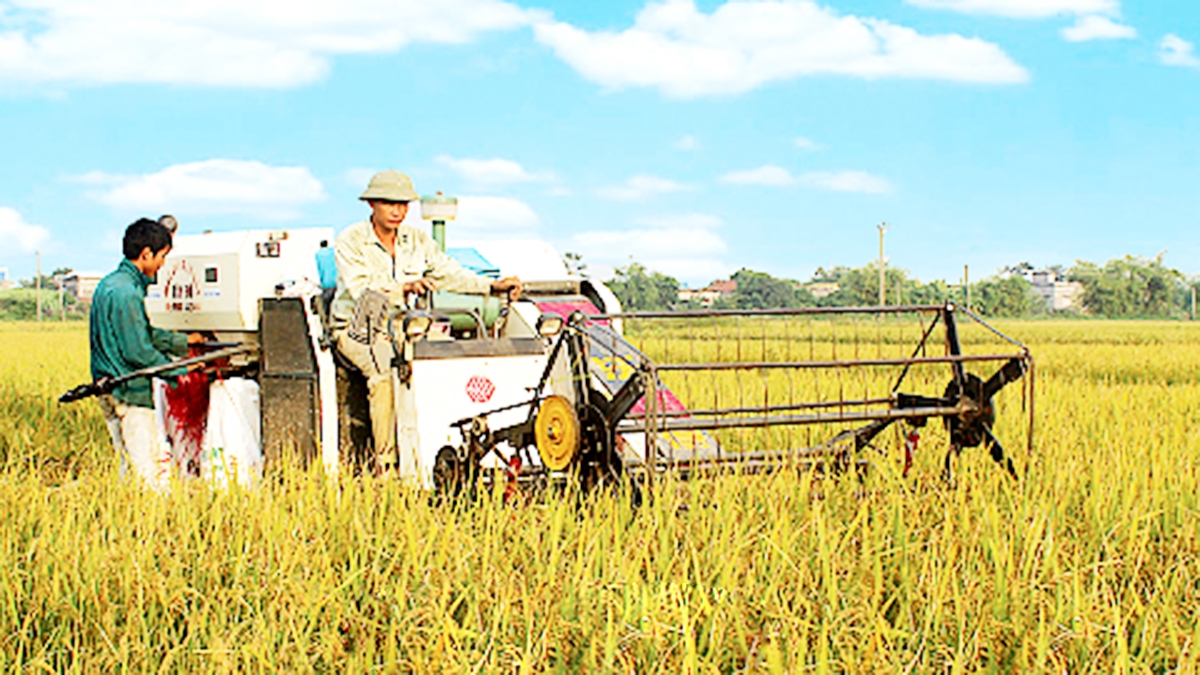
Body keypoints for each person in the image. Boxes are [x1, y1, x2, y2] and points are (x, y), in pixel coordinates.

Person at [331, 169, 521, 475]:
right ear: (371, 205)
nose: (397, 211)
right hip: (361, 321)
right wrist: (404, 287)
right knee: (383, 374)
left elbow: (448, 272)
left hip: (406, 323)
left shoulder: (416, 240)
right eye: (389, 204)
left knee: (449, 361)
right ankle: (388, 467)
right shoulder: (351, 240)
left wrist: (491, 287)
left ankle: (455, 451)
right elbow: (360, 288)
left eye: (403, 204)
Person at [90, 218, 203, 490]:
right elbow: (138, 351)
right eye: (162, 256)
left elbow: (143, 333)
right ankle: (153, 524)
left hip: (107, 386)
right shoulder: (127, 293)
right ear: (146, 254)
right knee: (150, 472)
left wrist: (183, 341)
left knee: (127, 467)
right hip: (129, 391)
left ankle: (126, 516)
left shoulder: (110, 284)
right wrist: (183, 370)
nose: (163, 264)